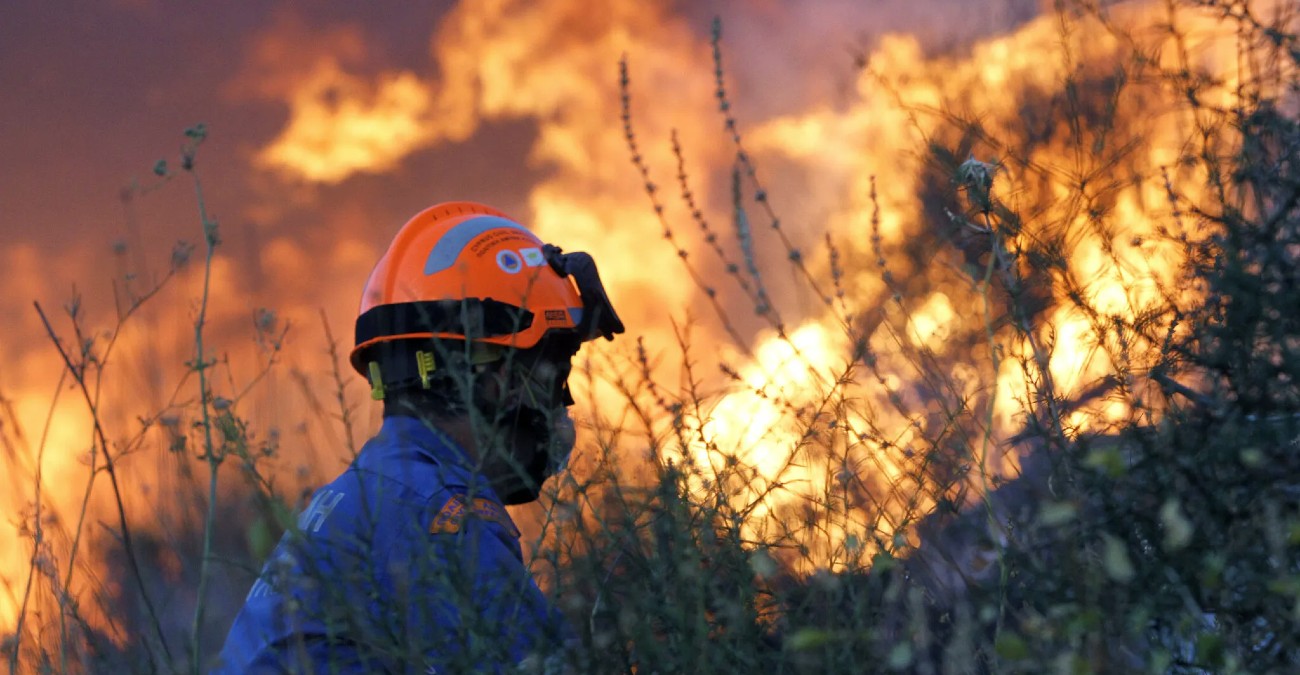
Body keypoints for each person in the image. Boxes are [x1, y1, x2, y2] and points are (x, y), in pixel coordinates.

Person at [215, 201, 624, 673]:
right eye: (554, 373)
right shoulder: (440, 514)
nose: (560, 405)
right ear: (502, 381)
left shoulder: (374, 491)